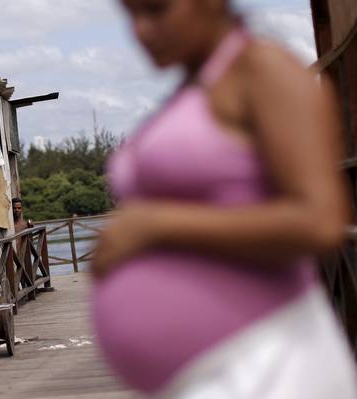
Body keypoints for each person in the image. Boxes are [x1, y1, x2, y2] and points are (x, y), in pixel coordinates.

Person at [91, 1, 357, 398]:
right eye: (131, 15)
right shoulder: (193, 89)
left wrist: (159, 225)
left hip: (269, 363)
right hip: (214, 374)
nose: (141, 31)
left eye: (155, 10)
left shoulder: (263, 69)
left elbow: (319, 219)